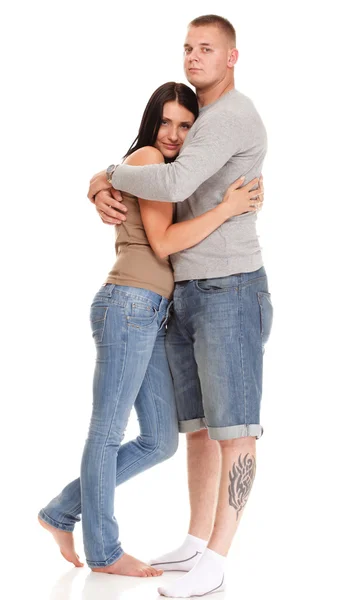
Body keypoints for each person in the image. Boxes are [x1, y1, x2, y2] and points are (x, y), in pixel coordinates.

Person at [38, 81, 262, 578]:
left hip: (154, 312)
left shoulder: (167, 173)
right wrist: (227, 208)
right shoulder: (149, 164)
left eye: (186, 125)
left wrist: (99, 179)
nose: (175, 134)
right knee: (107, 430)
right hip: (129, 304)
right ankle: (104, 551)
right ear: (151, 123)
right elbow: (162, 245)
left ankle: (60, 511)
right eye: (166, 122)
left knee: (161, 440)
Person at [88, 14, 272, 598]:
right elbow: (167, 181)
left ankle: (217, 558)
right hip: (184, 295)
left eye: (207, 49)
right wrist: (99, 182)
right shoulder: (200, 126)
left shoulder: (230, 117)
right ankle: (196, 541)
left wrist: (103, 172)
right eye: (188, 47)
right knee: (194, 430)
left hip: (229, 289)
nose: (194, 57)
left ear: (232, 57)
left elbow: (165, 188)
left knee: (234, 431)